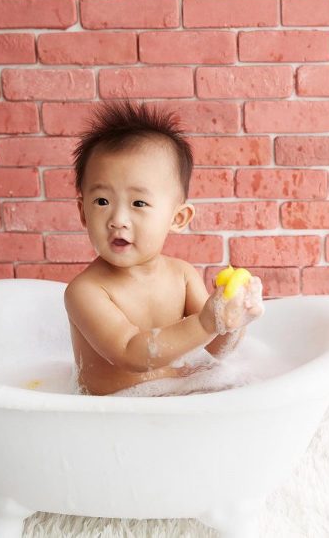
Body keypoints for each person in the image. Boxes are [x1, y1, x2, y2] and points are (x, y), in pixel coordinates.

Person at [64, 100, 264, 395]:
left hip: (175, 400)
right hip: (115, 416)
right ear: (83, 212)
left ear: (177, 218)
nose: (118, 220)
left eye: (138, 203)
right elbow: (131, 352)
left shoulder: (181, 275)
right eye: (102, 201)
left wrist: (235, 317)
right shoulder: (86, 292)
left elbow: (218, 348)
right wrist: (208, 322)